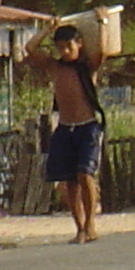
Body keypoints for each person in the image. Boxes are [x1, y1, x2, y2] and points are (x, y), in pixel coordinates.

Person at [28, 20, 105, 242]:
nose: (65, 51)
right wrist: (47, 29)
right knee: (69, 180)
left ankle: (90, 224)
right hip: (64, 127)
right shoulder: (55, 66)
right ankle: (79, 227)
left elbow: (102, 51)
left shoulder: (86, 67)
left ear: (79, 44)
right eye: (60, 47)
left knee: (85, 174)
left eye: (69, 46)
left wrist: (102, 22)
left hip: (87, 127)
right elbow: (30, 49)